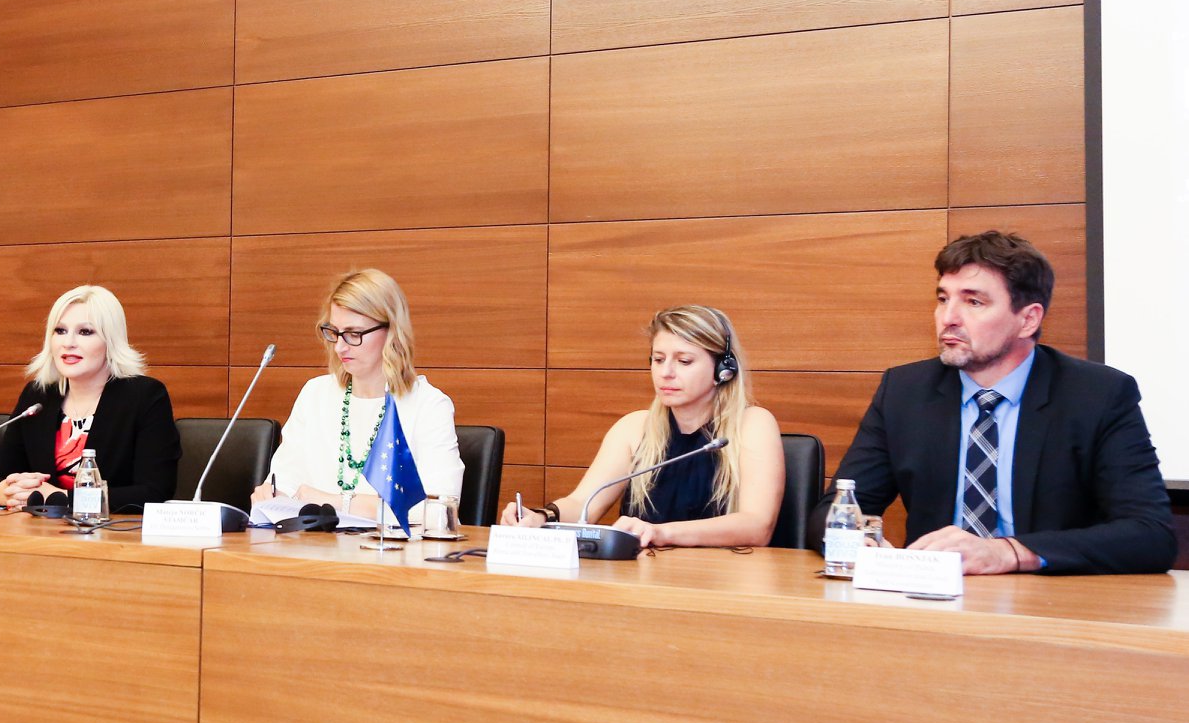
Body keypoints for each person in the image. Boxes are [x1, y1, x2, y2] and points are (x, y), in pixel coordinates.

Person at [825, 230, 1175, 574]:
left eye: (974, 302)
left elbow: (1151, 534)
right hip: (931, 601)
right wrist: (857, 543)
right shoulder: (905, 391)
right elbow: (835, 509)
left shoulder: (1098, 396)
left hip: (1051, 608)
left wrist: (1009, 552)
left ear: (1028, 319)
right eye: (944, 299)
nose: (948, 318)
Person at [502, 305, 785, 548]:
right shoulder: (633, 428)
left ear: (723, 370)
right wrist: (541, 517)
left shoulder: (753, 425)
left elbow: (756, 525)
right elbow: (583, 505)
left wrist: (662, 532)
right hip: (642, 578)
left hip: (722, 582)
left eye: (684, 361)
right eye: (658, 359)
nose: (666, 373)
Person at [253, 269, 464, 521]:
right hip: (312, 553)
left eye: (354, 334)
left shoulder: (428, 405)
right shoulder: (315, 394)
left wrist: (335, 503)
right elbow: (284, 484)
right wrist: (269, 496)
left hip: (390, 556)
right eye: (334, 332)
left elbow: (440, 511)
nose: (340, 346)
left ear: (391, 331)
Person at [0, 286, 180, 512]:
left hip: (113, 538)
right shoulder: (38, 396)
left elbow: (154, 492)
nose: (68, 343)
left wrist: (62, 498)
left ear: (110, 341)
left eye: (85, 332)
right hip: (38, 535)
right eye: (60, 331)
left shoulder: (144, 396)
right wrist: (2, 493)